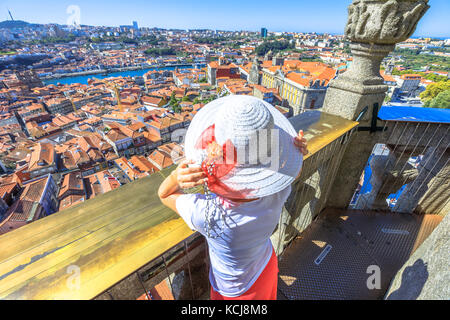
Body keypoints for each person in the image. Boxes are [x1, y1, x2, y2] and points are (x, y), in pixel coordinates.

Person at [158, 95, 308, 300]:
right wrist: (296, 151)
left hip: (233, 290)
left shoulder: (205, 214)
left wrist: (177, 175)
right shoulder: (277, 193)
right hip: (265, 265)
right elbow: (293, 174)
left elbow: (164, 194)